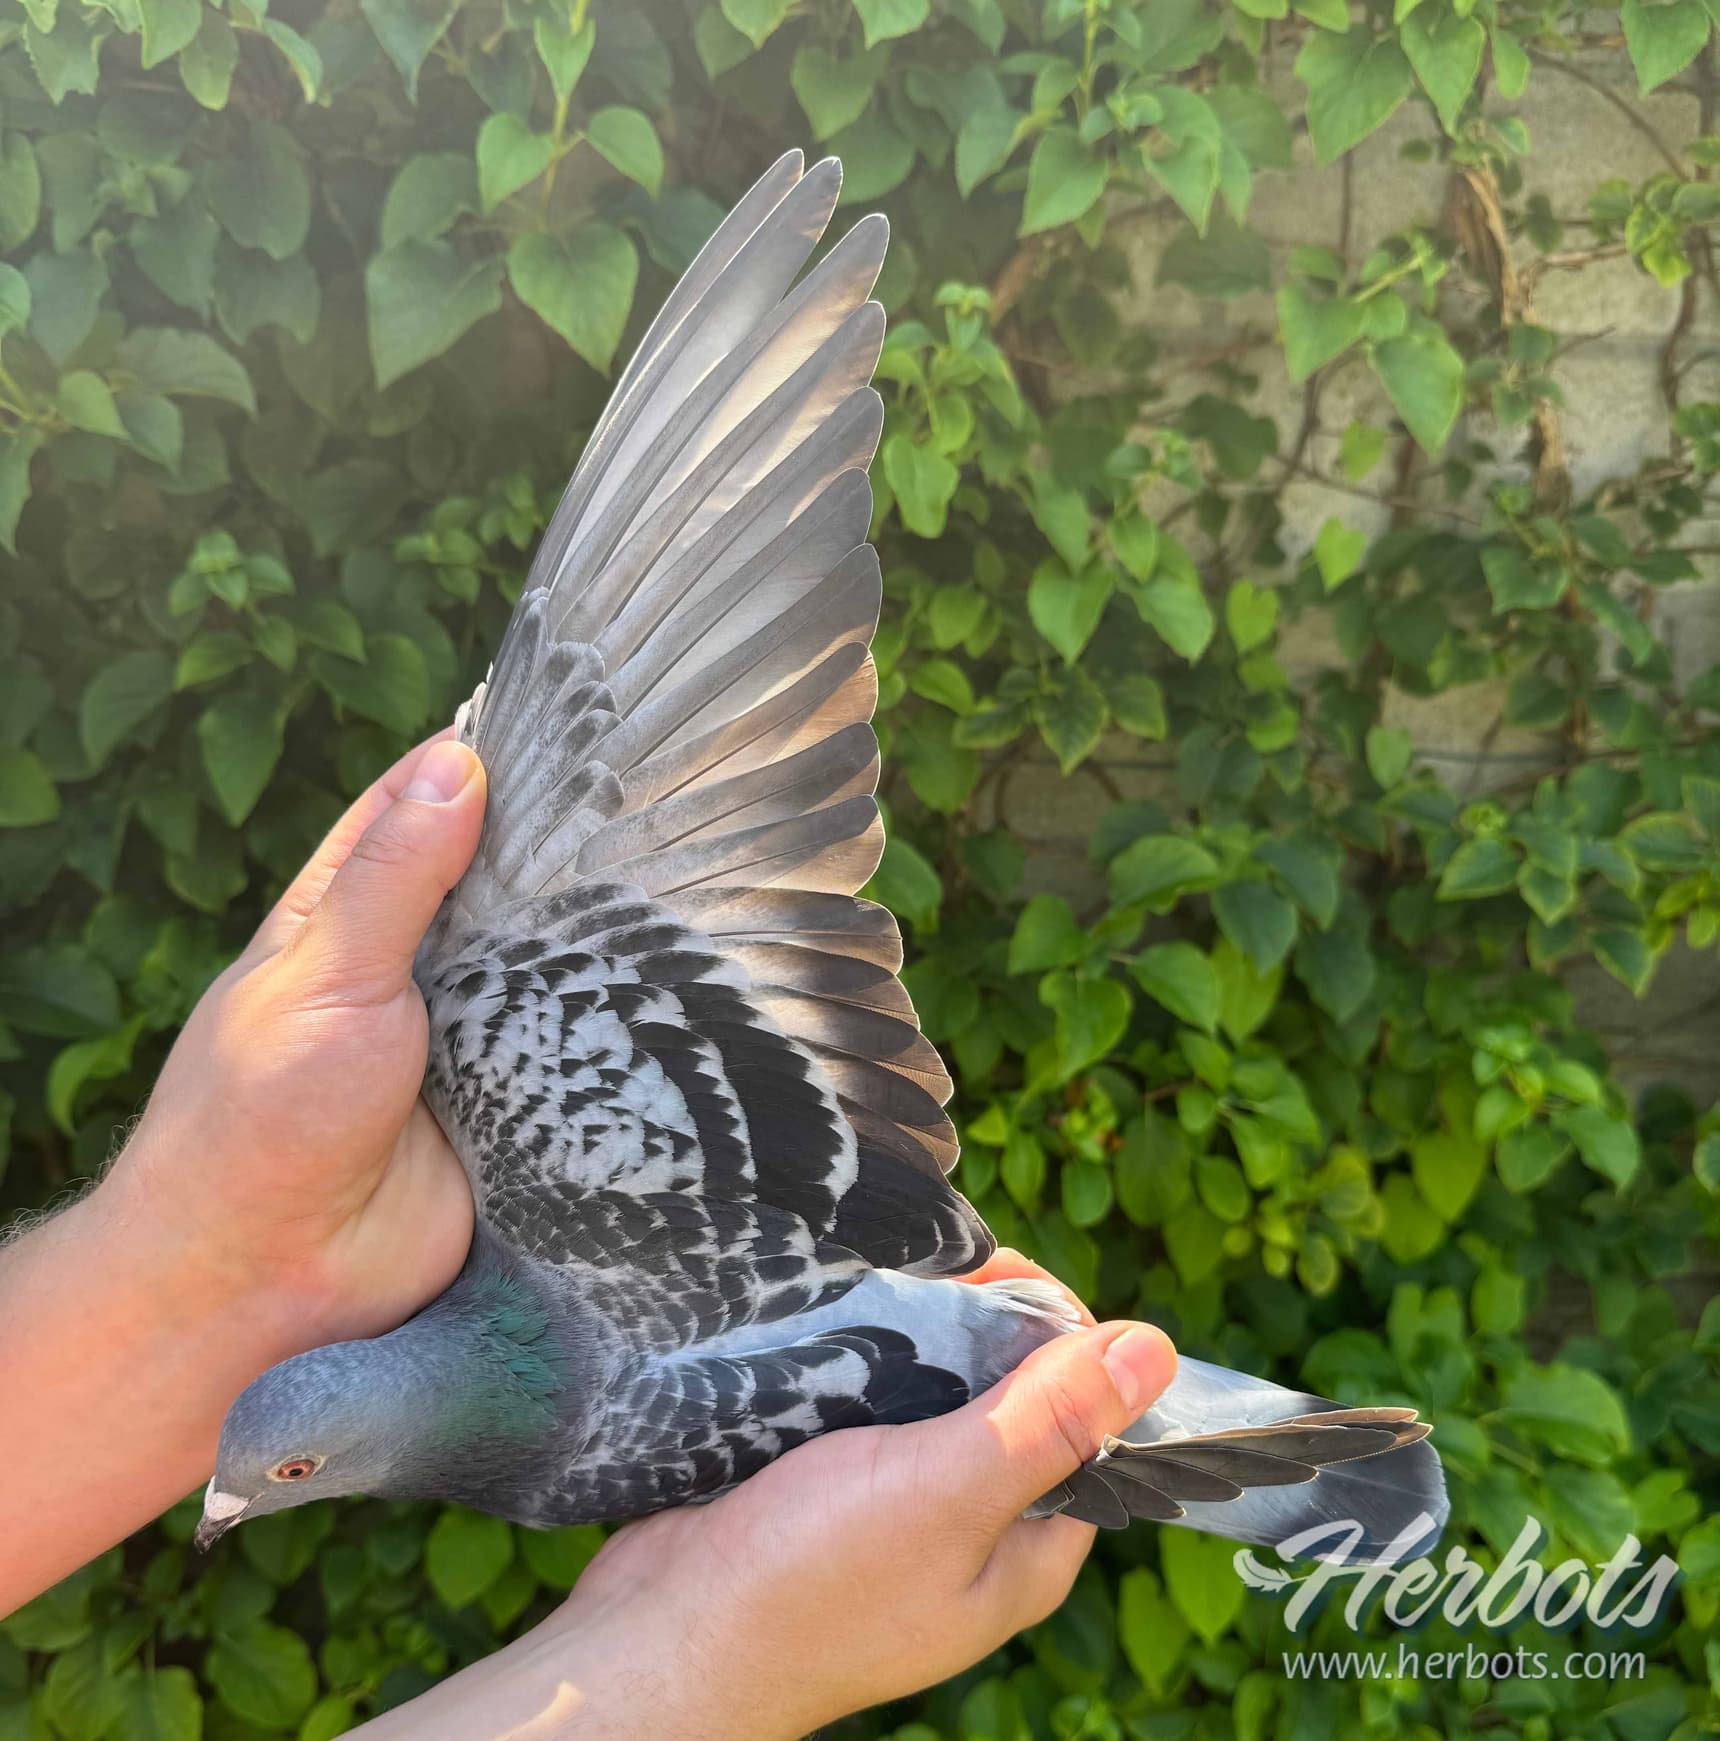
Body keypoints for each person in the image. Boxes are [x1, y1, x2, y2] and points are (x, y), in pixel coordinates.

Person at [0, 732, 1178, 1738]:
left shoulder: (544, 1231)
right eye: (267, 1483)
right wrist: (691, 1662)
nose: (226, 1511)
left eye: (283, 1475)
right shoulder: (519, 1442)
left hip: (963, 1377)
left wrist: (685, 1653)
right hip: (965, 1405)